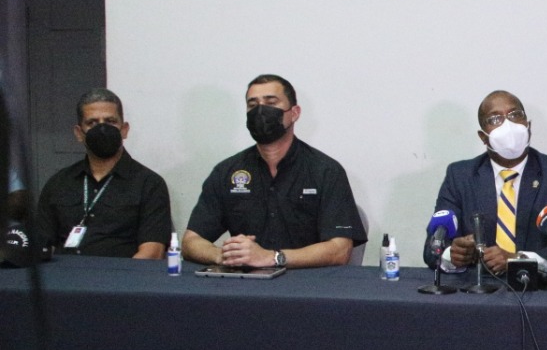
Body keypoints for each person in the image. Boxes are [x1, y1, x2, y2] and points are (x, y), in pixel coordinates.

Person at [183, 74, 366, 268]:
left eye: (271, 102)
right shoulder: (227, 172)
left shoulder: (325, 171)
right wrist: (224, 255)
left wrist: (273, 257)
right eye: (253, 105)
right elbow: (191, 241)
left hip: (308, 281)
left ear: (294, 113)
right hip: (244, 281)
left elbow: (340, 250)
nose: (260, 111)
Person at [428, 89, 547, 275]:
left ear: (528, 126)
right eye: (495, 119)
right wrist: (452, 255)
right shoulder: (460, 176)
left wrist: (519, 260)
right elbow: (431, 248)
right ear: (483, 136)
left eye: (515, 115)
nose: (508, 125)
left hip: (539, 289)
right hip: (476, 288)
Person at [34, 88, 172, 258]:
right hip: (64, 273)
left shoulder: (149, 184)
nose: (102, 129)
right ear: (79, 133)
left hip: (123, 273)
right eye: (92, 123)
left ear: (124, 129)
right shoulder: (58, 183)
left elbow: (152, 252)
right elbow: (40, 244)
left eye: (110, 121)